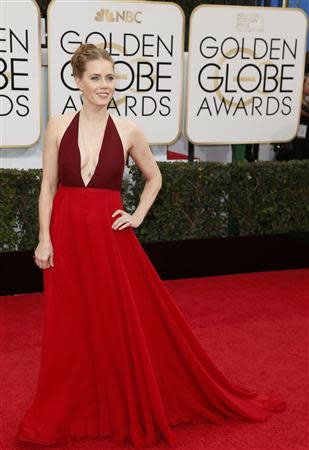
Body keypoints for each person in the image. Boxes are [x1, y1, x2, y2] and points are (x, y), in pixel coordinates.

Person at [16, 44, 286, 449]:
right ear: (77, 81)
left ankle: (114, 401)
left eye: (110, 77)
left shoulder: (128, 131)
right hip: (67, 237)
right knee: (69, 326)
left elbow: (154, 177)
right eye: (96, 77)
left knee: (115, 320)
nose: (105, 85)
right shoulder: (57, 125)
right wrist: (44, 237)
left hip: (109, 239)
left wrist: (137, 215)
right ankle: (73, 407)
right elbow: (48, 186)